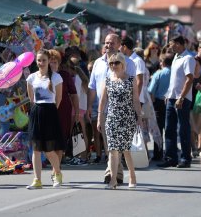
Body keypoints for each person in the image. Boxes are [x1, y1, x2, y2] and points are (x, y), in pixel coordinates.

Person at [87, 33, 136, 184]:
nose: (108, 45)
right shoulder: (98, 63)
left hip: (124, 111)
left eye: (112, 43)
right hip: (105, 110)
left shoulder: (129, 63)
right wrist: (89, 106)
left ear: (119, 44)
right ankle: (115, 174)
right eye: (107, 43)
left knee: (120, 147)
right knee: (112, 146)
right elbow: (93, 87)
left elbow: (133, 89)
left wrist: (137, 113)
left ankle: (113, 174)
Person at [97, 52, 143, 189]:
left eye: (116, 63)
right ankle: (113, 180)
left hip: (127, 118)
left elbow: (135, 100)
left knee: (126, 150)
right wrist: (100, 118)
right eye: (111, 63)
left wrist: (139, 117)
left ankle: (132, 175)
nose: (113, 66)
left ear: (123, 64)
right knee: (112, 150)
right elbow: (103, 100)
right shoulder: (108, 79)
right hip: (112, 118)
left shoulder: (131, 79)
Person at [26, 49, 65, 189]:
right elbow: (31, 98)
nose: (41, 63)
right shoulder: (31, 78)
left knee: (49, 149)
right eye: (39, 60)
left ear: (49, 61)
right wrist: (36, 110)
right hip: (37, 112)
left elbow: (59, 98)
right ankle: (37, 180)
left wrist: (51, 111)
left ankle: (57, 174)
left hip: (50, 112)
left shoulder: (56, 77)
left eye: (43, 60)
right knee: (36, 149)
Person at [158, 35, 195, 168]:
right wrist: (169, 94)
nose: (170, 47)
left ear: (179, 44)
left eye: (171, 44)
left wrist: (182, 97)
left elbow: (189, 79)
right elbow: (175, 79)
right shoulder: (176, 57)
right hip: (172, 97)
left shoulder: (188, 58)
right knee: (169, 128)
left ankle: (185, 158)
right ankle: (171, 157)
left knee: (183, 129)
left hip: (182, 99)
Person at [48, 49, 80, 165]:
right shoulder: (40, 76)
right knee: (49, 140)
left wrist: (76, 112)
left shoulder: (65, 75)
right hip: (46, 112)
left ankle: (56, 168)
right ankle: (55, 166)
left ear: (59, 63)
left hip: (63, 111)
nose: (52, 64)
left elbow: (74, 95)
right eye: (50, 61)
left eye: (54, 61)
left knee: (60, 139)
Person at [148, 54, 172, 160]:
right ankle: (170, 153)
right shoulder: (175, 73)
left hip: (159, 103)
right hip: (172, 101)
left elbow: (151, 90)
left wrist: (152, 103)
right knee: (170, 128)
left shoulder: (158, 73)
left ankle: (158, 154)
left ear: (162, 62)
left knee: (158, 129)